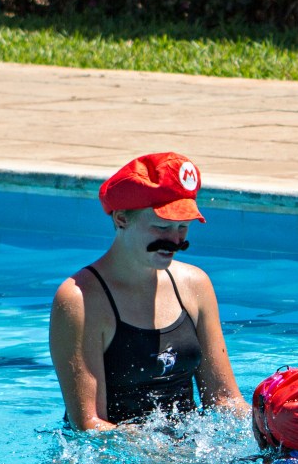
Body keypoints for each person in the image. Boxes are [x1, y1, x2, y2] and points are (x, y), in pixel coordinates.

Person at [50, 152, 249, 430]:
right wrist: (157, 455)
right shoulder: (81, 299)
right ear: (121, 219)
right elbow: (89, 424)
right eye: (162, 226)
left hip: (187, 454)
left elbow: (223, 399)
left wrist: (274, 424)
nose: (175, 240)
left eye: (183, 227)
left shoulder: (195, 285)